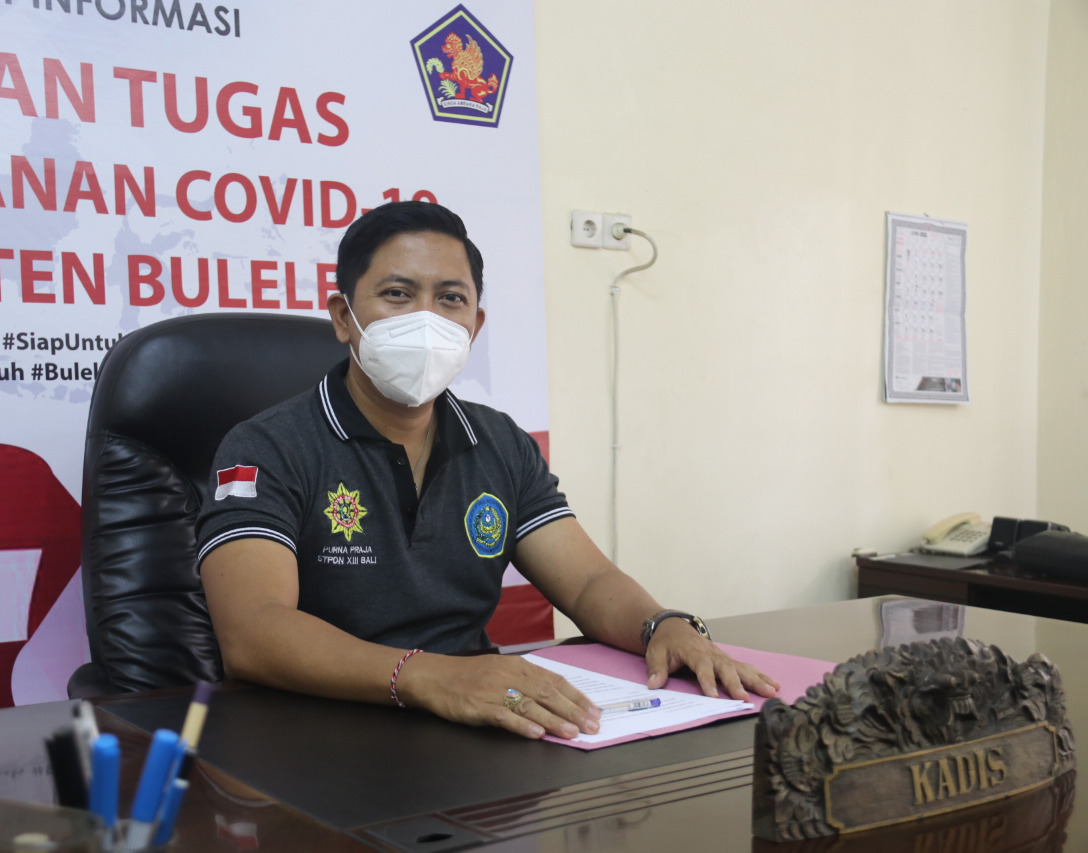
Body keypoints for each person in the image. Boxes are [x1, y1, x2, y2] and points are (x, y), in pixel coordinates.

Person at [197, 201, 778, 740]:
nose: (426, 319)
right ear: (344, 317)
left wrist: (662, 625)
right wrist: (430, 677)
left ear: (474, 326)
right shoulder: (268, 446)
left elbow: (587, 582)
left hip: (472, 722)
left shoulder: (499, 442)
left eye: (450, 299)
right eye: (397, 294)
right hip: (316, 732)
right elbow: (253, 631)